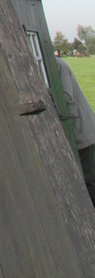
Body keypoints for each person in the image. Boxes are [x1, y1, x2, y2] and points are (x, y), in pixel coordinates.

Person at [56, 56, 95, 206]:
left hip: (83, 132)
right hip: (77, 132)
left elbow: (66, 96)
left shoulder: (58, 65)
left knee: (90, 179)